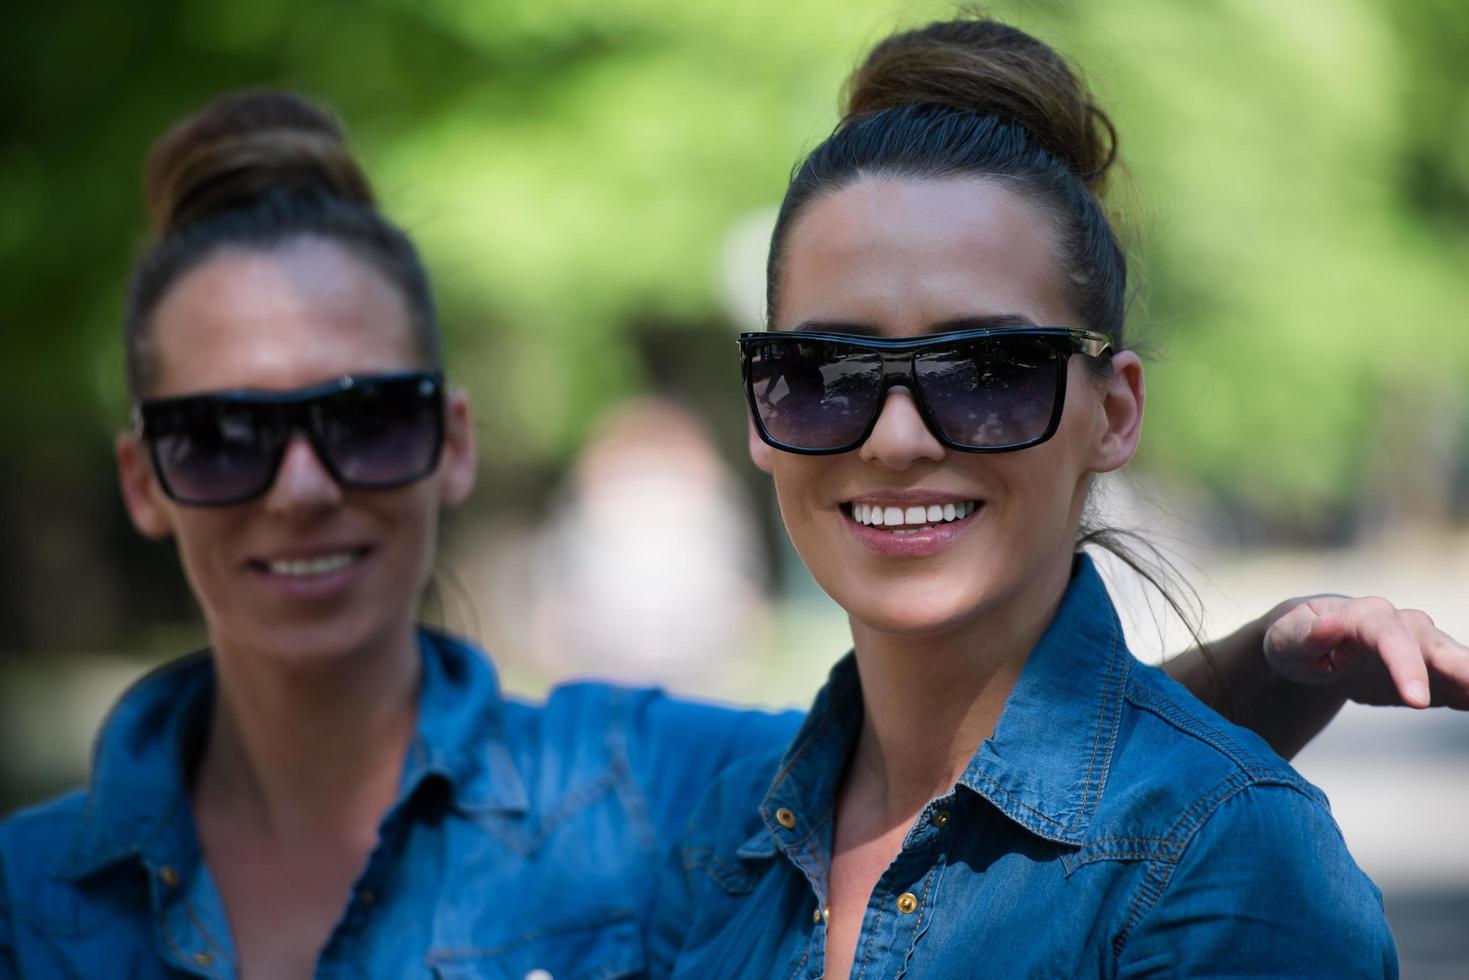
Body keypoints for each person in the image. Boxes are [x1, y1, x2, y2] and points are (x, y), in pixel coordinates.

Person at [0, 88, 1461, 979]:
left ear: (452, 441)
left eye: (365, 418)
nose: (302, 484)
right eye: (223, 435)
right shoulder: (21, 901)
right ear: (140, 476)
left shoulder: (653, 802)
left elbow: (1003, 809)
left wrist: (1245, 685)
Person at [651, 17, 1431, 978]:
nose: (897, 439)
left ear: (1113, 412)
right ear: (760, 412)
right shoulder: (714, 845)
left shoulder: (1228, 861)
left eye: (988, 372)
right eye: (826, 371)